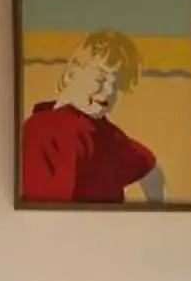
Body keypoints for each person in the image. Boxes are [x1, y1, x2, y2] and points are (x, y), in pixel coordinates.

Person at [20, 28, 167, 204]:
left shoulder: (107, 135)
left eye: (118, 84)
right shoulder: (43, 128)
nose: (109, 90)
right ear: (70, 76)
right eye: (100, 79)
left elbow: (150, 169)